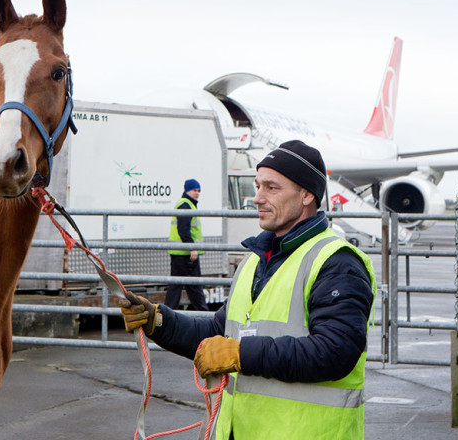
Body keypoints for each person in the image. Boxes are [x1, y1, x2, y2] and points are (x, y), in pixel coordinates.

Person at [121, 140, 376, 439]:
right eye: (257, 186)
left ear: (306, 194)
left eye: (271, 187)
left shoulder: (336, 262)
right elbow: (219, 334)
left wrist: (242, 354)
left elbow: (336, 352)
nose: (256, 198)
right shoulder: (255, 261)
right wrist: (160, 323)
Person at [165, 178, 208, 311]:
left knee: (177, 287)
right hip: (185, 254)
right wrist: (192, 248)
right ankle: (205, 317)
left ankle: (165, 317)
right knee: (194, 287)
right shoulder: (186, 204)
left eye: (198, 190)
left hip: (181, 253)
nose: (197, 193)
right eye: (194, 190)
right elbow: (183, 230)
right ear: (187, 190)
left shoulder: (186, 204)